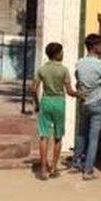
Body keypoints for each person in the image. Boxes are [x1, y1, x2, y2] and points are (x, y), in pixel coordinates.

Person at [32, 42, 78, 180]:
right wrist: (79, 94)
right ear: (57, 54)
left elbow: (33, 89)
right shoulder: (63, 70)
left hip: (46, 101)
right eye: (61, 52)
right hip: (59, 102)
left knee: (43, 136)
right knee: (58, 136)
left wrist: (37, 103)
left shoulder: (42, 69)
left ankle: (43, 168)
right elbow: (69, 91)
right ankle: (54, 167)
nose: (63, 54)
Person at [73, 34, 101, 180]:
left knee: (81, 134)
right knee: (93, 138)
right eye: (100, 45)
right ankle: (88, 170)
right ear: (94, 47)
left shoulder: (80, 63)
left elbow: (78, 80)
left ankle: (76, 162)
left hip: (84, 102)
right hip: (97, 103)